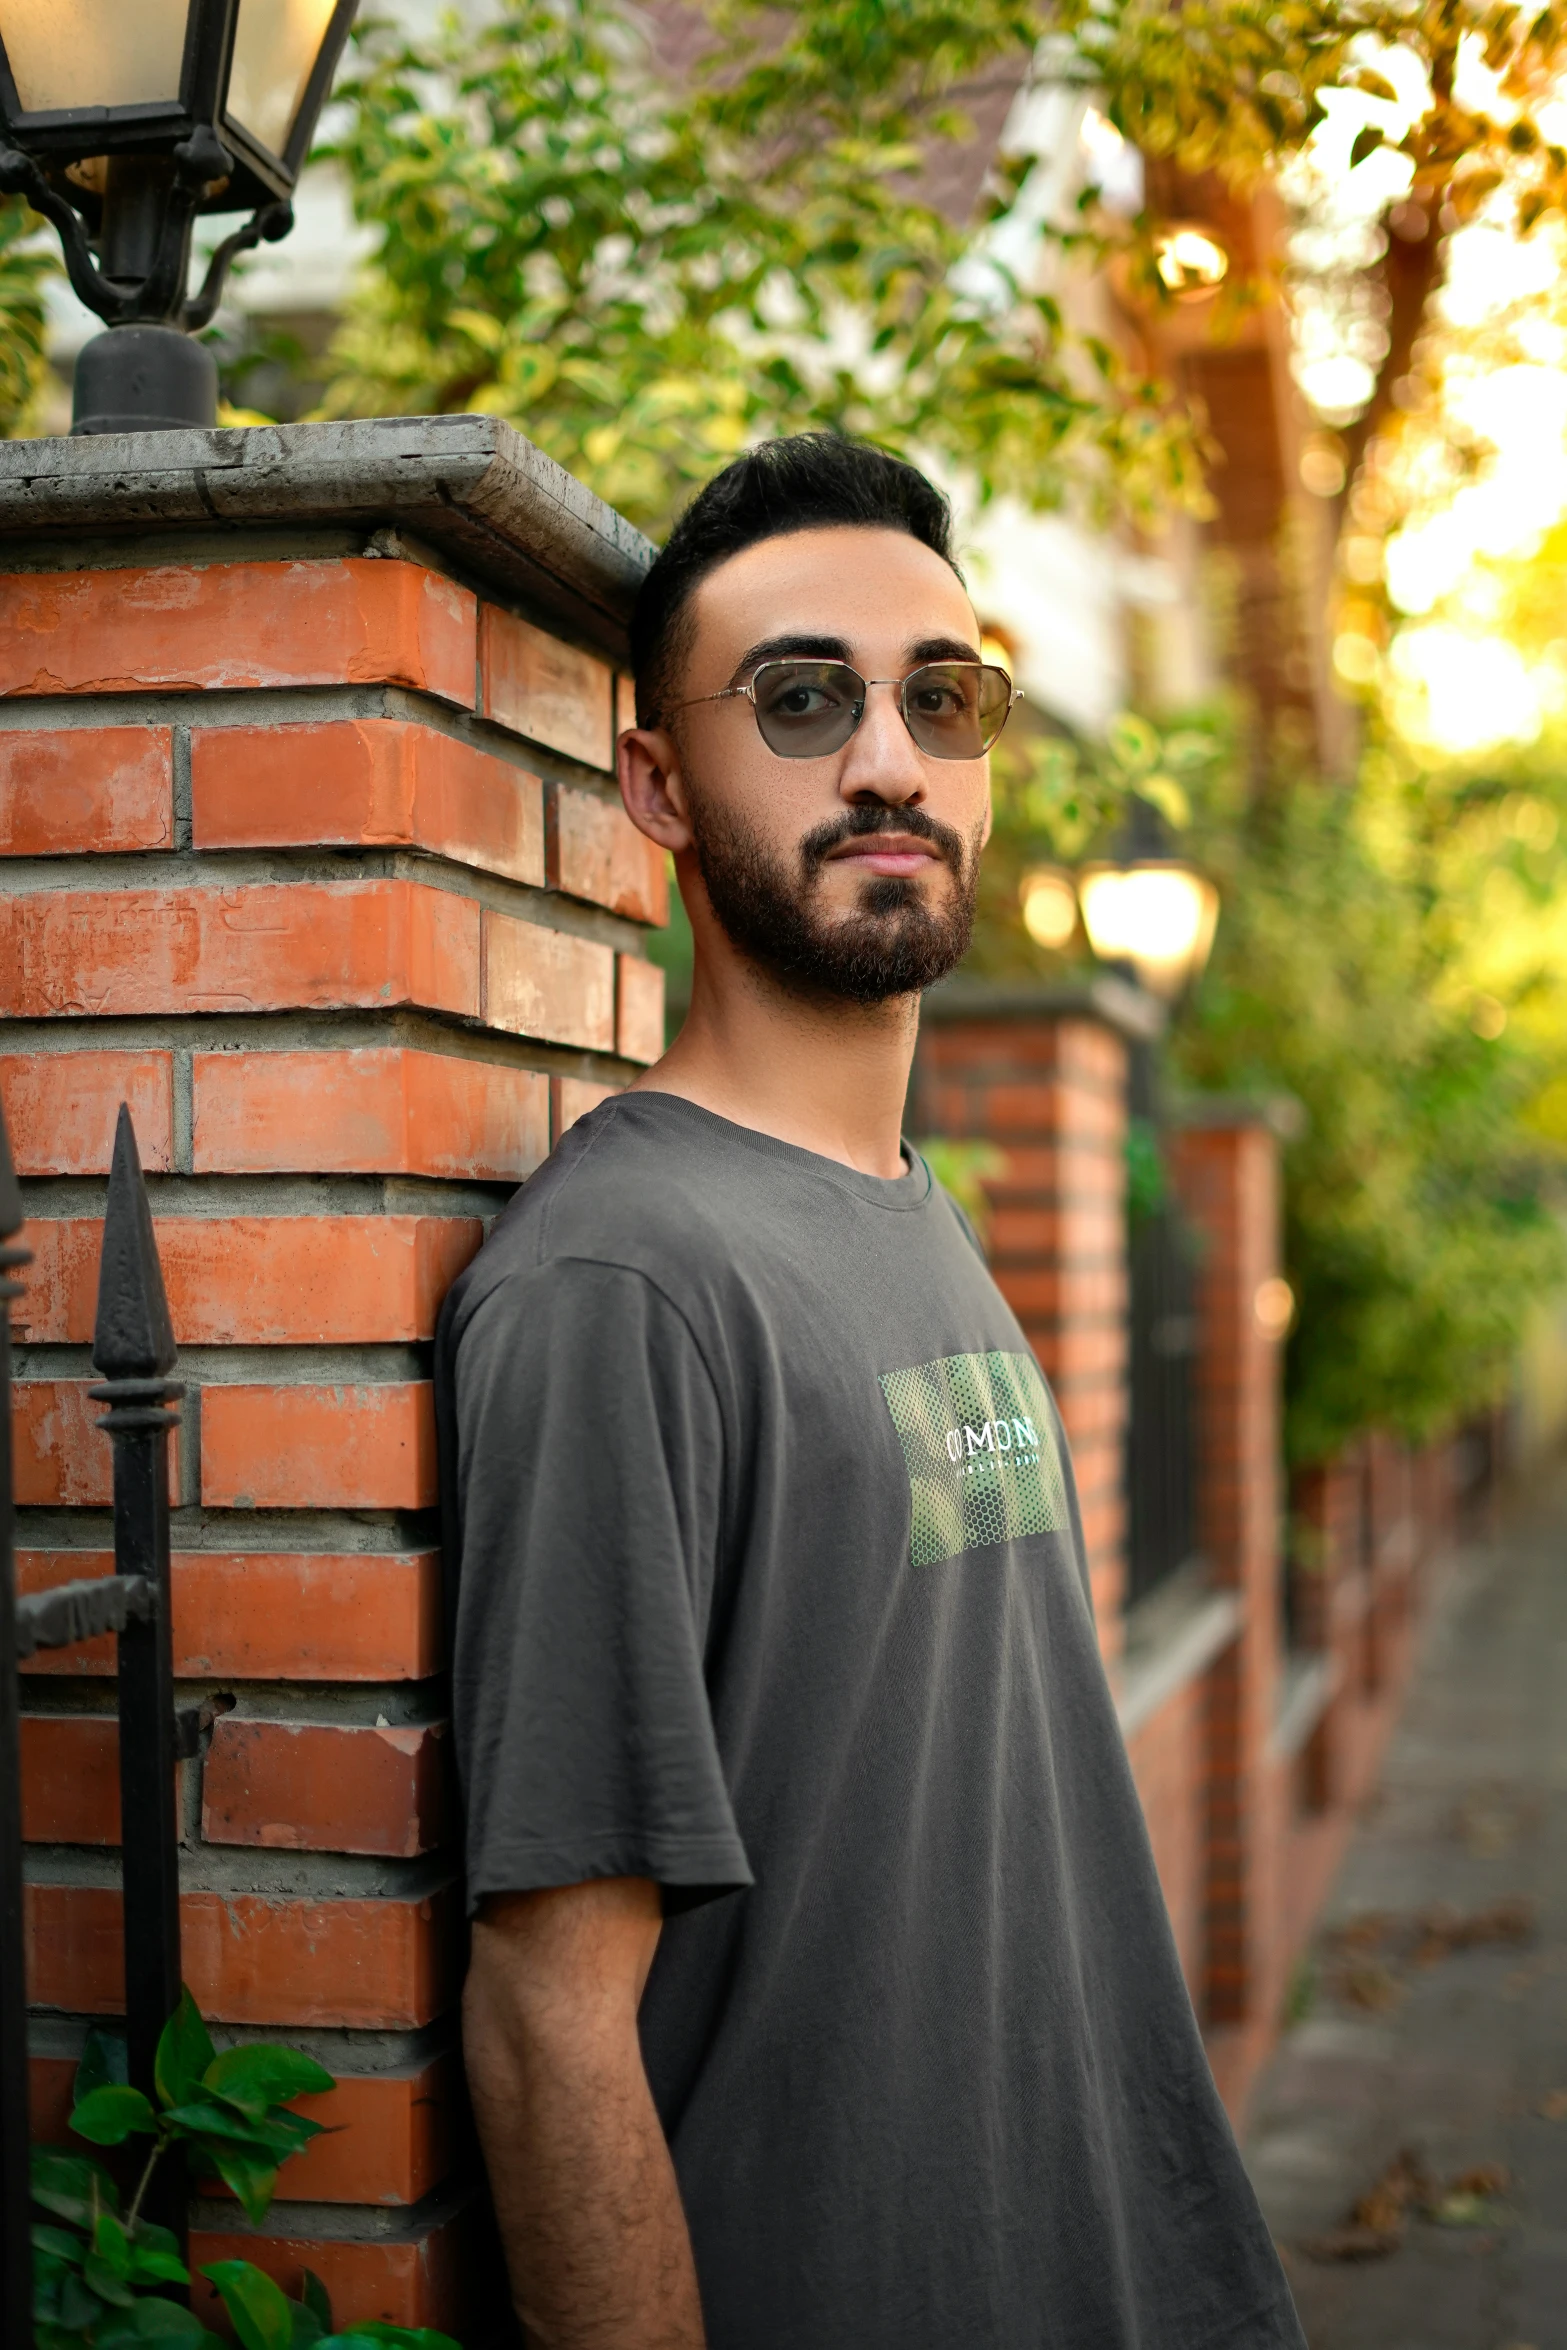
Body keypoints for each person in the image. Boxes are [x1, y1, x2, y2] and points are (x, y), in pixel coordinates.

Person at [435, 433, 1304, 2350]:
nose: (889, 759)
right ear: (657, 784)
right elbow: (548, 2012)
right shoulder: (623, 1284)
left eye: (943, 695)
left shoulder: (910, 1220)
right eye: (803, 697)